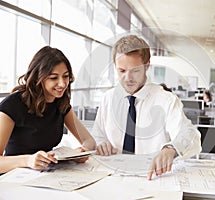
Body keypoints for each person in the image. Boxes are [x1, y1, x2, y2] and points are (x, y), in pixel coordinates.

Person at [92, 35, 201, 180]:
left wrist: (171, 149)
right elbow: (97, 134)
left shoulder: (166, 100)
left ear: (147, 66)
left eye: (135, 70)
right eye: (122, 71)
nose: (128, 78)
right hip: (113, 177)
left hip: (153, 178)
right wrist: (100, 143)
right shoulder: (108, 98)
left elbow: (190, 135)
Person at [0, 46, 96, 174]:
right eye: (53, 78)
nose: (62, 84)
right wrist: (28, 160)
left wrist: (80, 152)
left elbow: (89, 141)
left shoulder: (61, 103)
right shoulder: (12, 105)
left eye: (65, 76)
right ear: (38, 77)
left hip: (46, 175)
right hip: (14, 177)